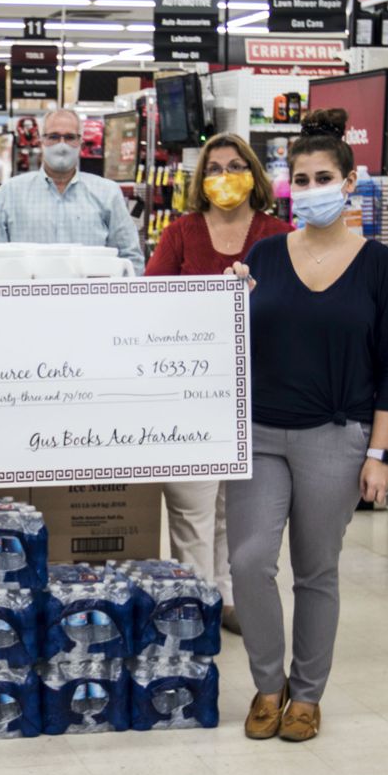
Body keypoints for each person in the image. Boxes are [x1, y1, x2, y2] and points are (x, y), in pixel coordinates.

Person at [222, 109, 388, 743]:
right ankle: (267, 685)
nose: (310, 190)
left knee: (315, 570)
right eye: (299, 180)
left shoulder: (379, 267)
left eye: (322, 178)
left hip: (337, 435)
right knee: (249, 562)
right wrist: (227, 299)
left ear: (350, 183)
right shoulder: (264, 255)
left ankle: (306, 695)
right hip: (258, 433)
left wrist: (380, 453)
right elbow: (230, 342)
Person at [146, 132, 292, 635]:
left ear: (253, 174)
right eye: (213, 168)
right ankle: (194, 601)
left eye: (234, 166)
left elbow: (297, 304)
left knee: (238, 507)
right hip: (190, 392)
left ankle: (229, 599)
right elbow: (151, 302)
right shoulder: (182, 233)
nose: (224, 177)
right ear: (200, 180)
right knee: (192, 507)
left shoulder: (278, 234)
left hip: (258, 389)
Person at [0, 108, 145, 272]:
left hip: (89, 292)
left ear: (80, 142)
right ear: (41, 140)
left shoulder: (107, 193)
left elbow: (131, 258)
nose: (62, 145)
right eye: (53, 137)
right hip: (29, 291)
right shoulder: (11, 193)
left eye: (70, 137)